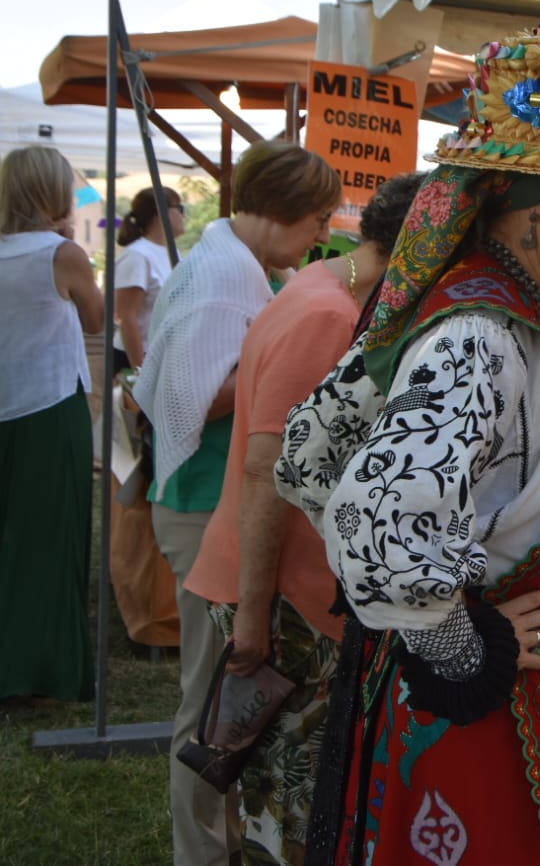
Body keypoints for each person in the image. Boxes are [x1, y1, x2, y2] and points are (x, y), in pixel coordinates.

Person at [275, 19, 540, 865]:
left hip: (526, 697)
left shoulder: (500, 315)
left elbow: (315, 462)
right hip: (503, 722)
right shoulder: (479, 333)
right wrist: (467, 651)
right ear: (529, 204)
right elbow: (375, 514)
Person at [184, 171, 425, 865]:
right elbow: (268, 470)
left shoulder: (325, 284)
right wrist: (256, 614)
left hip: (284, 585)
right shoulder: (330, 315)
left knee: (286, 795)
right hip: (285, 592)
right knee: (291, 802)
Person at [134, 140, 342, 866]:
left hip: (204, 501)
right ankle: (199, 853)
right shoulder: (226, 277)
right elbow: (189, 400)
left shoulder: (231, 263)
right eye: (316, 218)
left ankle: (217, 843)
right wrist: (276, 365)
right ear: (282, 210)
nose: (321, 235)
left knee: (225, 692)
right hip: (201, 503)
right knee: (211, 701)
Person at [0, 145, 105, 702]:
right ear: (52, 193)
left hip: (11, 398)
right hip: (48, 402)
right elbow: (95, 317)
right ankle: (43, 668)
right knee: (52, 539)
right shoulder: (63, 253)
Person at [113, 185, 185, 371]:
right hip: (137, 356)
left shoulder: (172, 252)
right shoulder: (137, 255)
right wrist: (140, 368)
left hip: (161, 354)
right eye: (180, 209)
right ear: (161, 213)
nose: (183, 216)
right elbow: (126, 316)